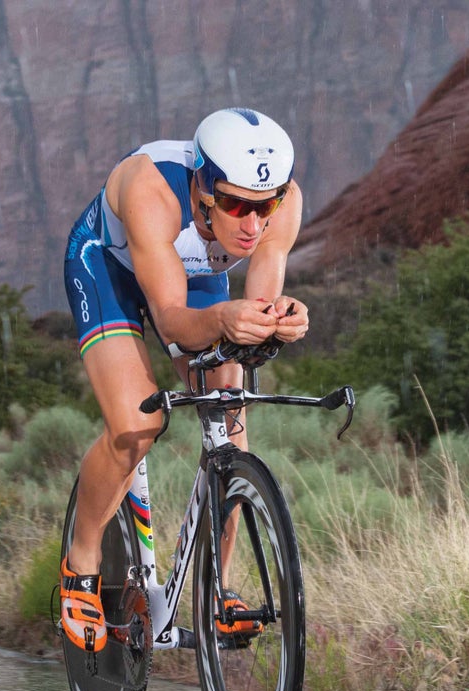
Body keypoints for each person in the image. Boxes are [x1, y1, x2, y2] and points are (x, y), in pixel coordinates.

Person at [60, 107, 309, 653]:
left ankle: (215, 588)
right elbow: (171, 319)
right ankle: (81, 562)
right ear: (202, 189)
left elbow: (259, 304)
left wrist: (280, 319)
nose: (253, 224)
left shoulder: (281, 204)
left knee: (230, 413)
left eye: (263, 206)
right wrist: (224, 318)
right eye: (237, 204)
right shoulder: (154, 192)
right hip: (109, 271)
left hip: (193, 281)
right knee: (137, 424)